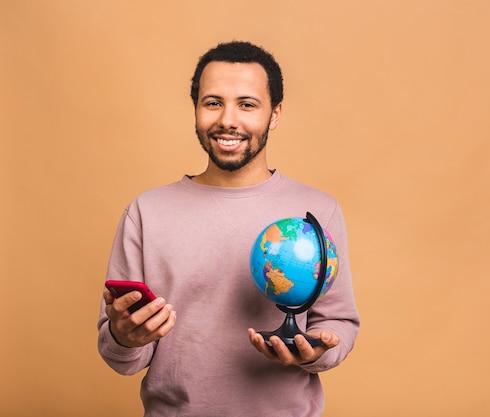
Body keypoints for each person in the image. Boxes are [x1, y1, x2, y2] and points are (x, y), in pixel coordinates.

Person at [97, 41, 360, 416]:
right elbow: (121, 356)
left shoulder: (317, 212)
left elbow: (339, 321)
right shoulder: (146, 212)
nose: (228, 120)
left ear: (275, 114)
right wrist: (124, 338)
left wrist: (319, 350)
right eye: (213, 102)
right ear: (196, 110)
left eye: (247, 104)